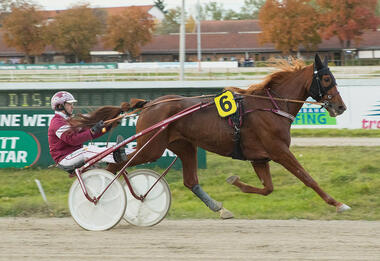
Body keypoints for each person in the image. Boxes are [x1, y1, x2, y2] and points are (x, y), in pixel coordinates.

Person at [48, 91, 128, 173]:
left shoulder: (69, 120)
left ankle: (118, 155)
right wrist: (92, 130)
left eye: (72, 104)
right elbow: (72, 140)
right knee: (87, 150)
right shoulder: (57, 122)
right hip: (65, 158)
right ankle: (115, 156)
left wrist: (107, 127)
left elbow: (90, 135)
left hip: (74, 154)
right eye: (69, 104)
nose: (72, 107)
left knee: (88, 150)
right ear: (60, 106)